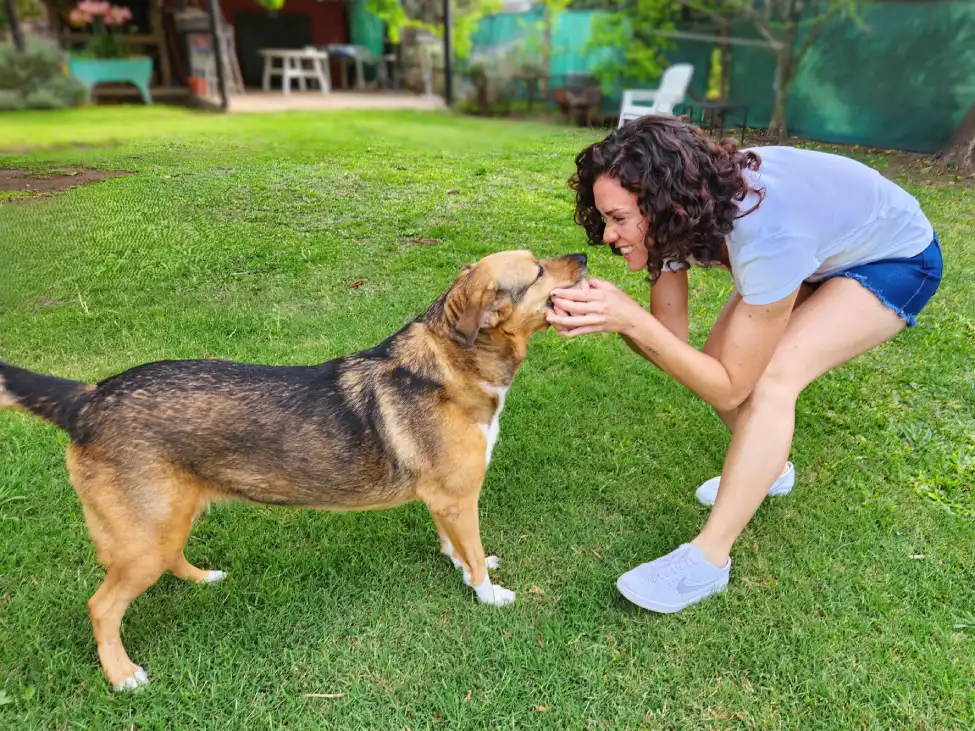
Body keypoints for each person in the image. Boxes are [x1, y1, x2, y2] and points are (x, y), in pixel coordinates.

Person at [546, 115, 943, 613]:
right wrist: (620, 321)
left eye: (619, 218)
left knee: (770, 381)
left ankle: (706, 562)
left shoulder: (767, 236)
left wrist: (630, 319)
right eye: (605, 218)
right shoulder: (679, 218)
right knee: (715, 365)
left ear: (663, 202)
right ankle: (768, 467)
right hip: (820, 247)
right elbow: (673, 349)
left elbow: (730, 389)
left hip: (895, 259)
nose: (607, 235)